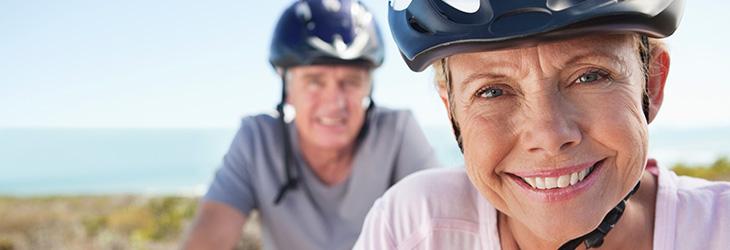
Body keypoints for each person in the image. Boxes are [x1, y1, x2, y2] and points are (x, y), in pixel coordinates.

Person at [355, 0, 730, 249]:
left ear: (652, 83)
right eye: (492, 92)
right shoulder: (412, 229)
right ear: (451, 111)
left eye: (590, 77)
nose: (549, 136)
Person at [181, 0, 441, 249]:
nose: (334, 101)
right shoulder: (257, 139)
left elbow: (439, 227)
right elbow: (210, 234)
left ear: (368, 87)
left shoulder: (396, 133)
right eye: (314, 81)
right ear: (287, 88)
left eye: (351, 81)